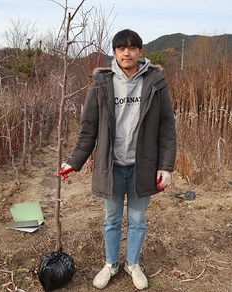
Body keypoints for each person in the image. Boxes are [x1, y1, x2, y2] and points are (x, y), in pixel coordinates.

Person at [58, 29, 176, 290]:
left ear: (140, 51)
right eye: (121, 48)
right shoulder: (102, 82)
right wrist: (74, 161)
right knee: (111, 219)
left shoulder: (155, 82)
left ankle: (132, 263)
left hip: (142, 166)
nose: (127, 52)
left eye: (132, 47)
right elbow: (89, 127)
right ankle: (111, 264)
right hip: (110, 166)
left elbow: (167, 126)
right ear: (113, 53)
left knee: (137, 219)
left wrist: (166, 166)